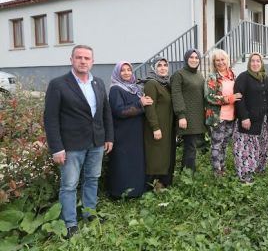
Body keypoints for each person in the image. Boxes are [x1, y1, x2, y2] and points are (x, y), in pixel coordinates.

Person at [44, 45, 113, 238]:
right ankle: (70, 224)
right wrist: (56, 148)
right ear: (71, 59)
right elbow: (50, 118)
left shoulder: (98, 83)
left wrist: (109, 137)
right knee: (69, 185)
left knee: (92, 179)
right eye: (79, 57)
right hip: (71, 146)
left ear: (92, 61)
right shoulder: (58, 84)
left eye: (87, 58)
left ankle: (89, 214)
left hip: (96, 143)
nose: (83, 61)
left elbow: (105, 112)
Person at [107, 61, 153, 199]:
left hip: (136, 132)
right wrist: (140, 103)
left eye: (129, 70)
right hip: (123, 133)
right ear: (117, 73)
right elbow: (120, 111)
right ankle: (119, 192)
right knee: (123, 163)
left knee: (136, 161)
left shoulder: (135, 88)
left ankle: (136, 191)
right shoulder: (116, 89)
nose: (126, 72)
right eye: (123, 70)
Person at [232, 52, 268, 183]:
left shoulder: (266, 77)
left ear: (261, 63)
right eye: (253, 61)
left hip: (265, 120)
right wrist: (244, 117)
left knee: (263, 145)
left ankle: (258, 169)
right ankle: (245, 174)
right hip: (249, 119)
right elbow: (239, 99)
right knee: (246, 147)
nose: (255, 64)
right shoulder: (243, 77)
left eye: (258, 61)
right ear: (249, 63)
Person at [205, 49, 242, 177]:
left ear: (227, 60)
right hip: (217, 117)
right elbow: (209, 97)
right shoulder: (212, 77)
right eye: (217, 60)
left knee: (225, 144)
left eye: (222, 59)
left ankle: (222, 167)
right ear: (214, 63)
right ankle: (216, 171)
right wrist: (228, 99)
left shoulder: (233, 75)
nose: (220, 62)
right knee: (217, 144)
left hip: (231, 115)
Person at [171, 49, 206, 173]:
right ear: (186, 59)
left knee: (192, 147)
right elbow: (176, 95)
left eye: (197, 58)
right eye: (191, 57)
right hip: (186, 117)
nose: (194, 60)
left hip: (198, 117)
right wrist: (181, 116)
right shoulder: (179, 74)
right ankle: (187, 175)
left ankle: (188, 171)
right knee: (190, 147)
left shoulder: (199, 75)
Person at [143, 56, 175, 188]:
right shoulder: (151, 83)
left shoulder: (166, 84)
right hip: (157, 127)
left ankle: (162, 182)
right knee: (155, 155)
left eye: (165, 65)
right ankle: (151, 185)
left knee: (164, 155)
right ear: (154, 68)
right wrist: (155, 127)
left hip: (167, 126)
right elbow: (149, 107)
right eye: (159, 66)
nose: (163, 68)